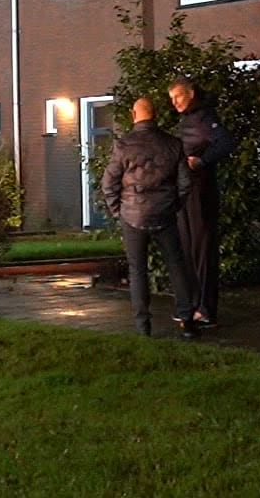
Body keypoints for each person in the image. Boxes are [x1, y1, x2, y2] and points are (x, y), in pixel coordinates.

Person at [101, 97, 198, 339]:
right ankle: (187, 320)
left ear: (135, 115)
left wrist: (118, 211)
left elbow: (108, 183)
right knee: (177, 266)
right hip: (165, 213)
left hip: (132, 214)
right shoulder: (173, 144)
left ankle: (143, 326)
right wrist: (174, 205)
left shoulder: (124, 145)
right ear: (154, 115)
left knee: (138, 271)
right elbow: (185, 183)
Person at [170, 78, 236, 326]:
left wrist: (202, 161)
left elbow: (226, 142)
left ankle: (206, 309)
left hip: (200, 191)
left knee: (202, 249)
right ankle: (193, 304)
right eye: (171, 99)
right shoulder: (188, 118)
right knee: (188, 248)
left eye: (178, 96)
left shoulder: (206, 117)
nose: (174, 103)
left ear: (191, 93)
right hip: (186, 192)